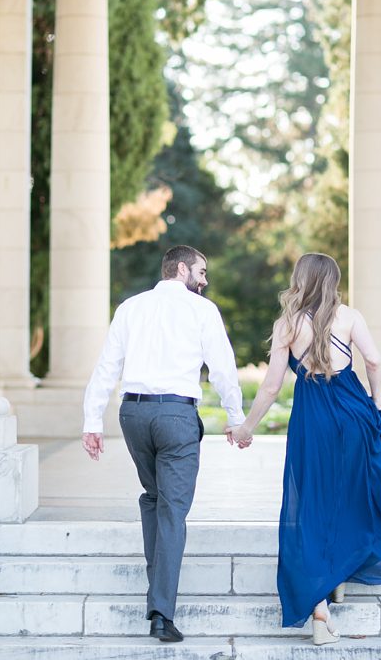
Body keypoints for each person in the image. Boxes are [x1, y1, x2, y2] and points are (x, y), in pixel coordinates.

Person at [230, 252, 381, 646]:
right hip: (354, 412)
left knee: (314, 505)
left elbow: (271, 386)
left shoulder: (287, 324)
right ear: (333, 281)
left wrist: (245, 428)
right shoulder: (350, 316)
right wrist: (378, 397)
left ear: (300, 280)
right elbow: (372, 359)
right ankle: (338, 574)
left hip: (313, 420)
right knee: (354, 495)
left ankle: (320, 611)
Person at [81, 244, 247, 643]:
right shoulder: (202, 310)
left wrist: (92, 420)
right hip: (175, 415)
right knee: (172, 510)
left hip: (133, 415)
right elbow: (223, 368)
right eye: (202, 272)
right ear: (181, 269)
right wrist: (237, 418)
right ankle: (161, 614)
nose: (205, 281)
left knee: (155, 498)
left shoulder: (130, 307)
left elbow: (107, 366)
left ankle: (158, 590)